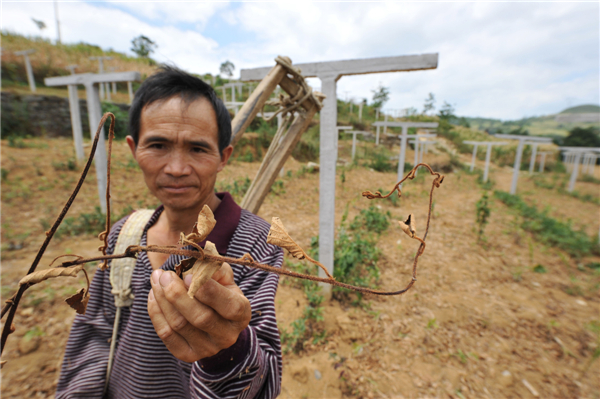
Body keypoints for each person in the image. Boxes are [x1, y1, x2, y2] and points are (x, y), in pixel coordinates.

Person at [56, 66, 283, 398]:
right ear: (134, 150)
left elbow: (263, 380)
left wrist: (228, 350)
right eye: (158, 145)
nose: (177, 168)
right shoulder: (124, 236)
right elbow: (94, 335)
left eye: (197, 148)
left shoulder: (256, 244)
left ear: (223, 157)